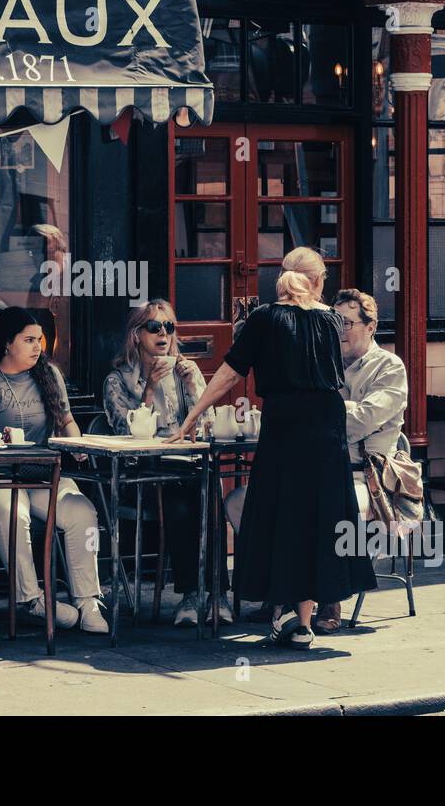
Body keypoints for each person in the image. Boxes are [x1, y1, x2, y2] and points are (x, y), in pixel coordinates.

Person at [171, 251, 376, 649]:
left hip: (286, 425)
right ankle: (302, 621)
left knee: (282, 515)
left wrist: (191, 418)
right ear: (316, 281)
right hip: (326, 428)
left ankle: (285, 613)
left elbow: (229, 373)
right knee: (319, 519)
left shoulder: (264, 318)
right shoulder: (330, 320)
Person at [0, 307, 108, 633]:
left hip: (42, 473)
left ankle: (87, 600)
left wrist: (79, 448)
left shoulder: (49, 374)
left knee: (83, 512)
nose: (37, 346)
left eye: (39, 340)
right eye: (28, 340)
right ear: (7, 343)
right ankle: (31, 600)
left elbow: (67, 420)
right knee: (17, 513)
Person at [103, 300, 231, 627]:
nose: (163, 333)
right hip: (142, 474)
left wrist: (194, 386)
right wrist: (151, 388)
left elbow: (210, 425)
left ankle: (217, 595)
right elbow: (125, 434)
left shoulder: (182, 371)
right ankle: (191, 594)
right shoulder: (117, 380)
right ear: (136, 335)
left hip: (188, 467)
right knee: (184, 496)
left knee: (207, 489)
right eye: (154, 327)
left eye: (169, 327)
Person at [310, 287, 410, 635]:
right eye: (334, 323)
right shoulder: (323, 362)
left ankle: (330, 596)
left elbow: (361, 422)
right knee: (248, 500)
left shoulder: (389, 367)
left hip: (368, 473)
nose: (339, 331)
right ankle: (282, 596)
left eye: (347, 323)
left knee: (336, 507)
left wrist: (327, 413)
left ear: (371, 326)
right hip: (321, 465)